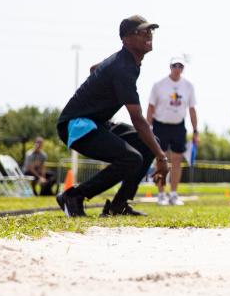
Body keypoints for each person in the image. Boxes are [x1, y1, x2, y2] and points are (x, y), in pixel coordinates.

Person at [55, 15, 169, 218]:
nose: (148, 34)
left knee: (149, 143)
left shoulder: (126, 62)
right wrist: (161, 157)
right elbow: (138, 119)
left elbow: (94, 68)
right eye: (142, 31)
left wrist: (98, 87)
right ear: (126, 39)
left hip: (97, 122)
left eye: (150, 30)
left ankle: (118, 205)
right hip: (76, 125)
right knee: (132, 157)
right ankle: (73, 196)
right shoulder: (123, 68)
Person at [147, 56, 199, 206]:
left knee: (177, 160)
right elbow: (151, 107)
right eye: (175, 66)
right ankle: (161, 194)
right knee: (160, 160)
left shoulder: (188, 86)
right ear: (170, 67)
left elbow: (192, 108)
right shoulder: (159, 85)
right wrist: (148, 127)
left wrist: (195, 130)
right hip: (160, 125)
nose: (177, 69)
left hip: (178, 126)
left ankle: (174, 194)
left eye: (180, 66)